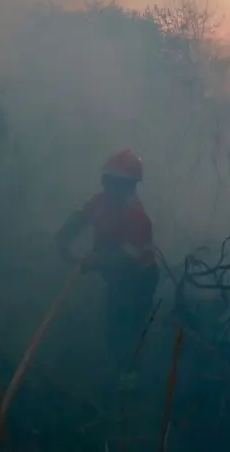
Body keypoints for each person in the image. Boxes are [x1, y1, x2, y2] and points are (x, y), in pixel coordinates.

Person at [55, 148, 161, 390]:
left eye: (117, 182)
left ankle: (130, 382)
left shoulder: (136, 215)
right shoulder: (102, 201)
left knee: (129, 327)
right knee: (114, 323)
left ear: (129, 185)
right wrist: (64, 236)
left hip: (139, 279)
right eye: (108, 180)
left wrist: (97, 261)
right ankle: (119, 369)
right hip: (118, 278)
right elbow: (81, 217)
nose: (110, 186)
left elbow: (129, 255)